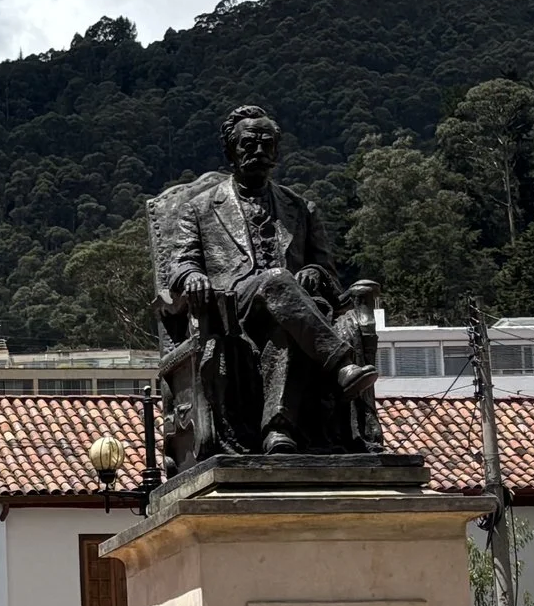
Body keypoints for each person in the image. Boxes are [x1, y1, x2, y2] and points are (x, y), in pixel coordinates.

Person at [162, 105, 378, 453]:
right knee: (276, 279)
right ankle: (341, 363)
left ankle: (277, 431)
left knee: (286, 329)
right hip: (234, 310)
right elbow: (180, 265)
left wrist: (314, 271)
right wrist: (193, 276)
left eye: (267, 144)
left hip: (295, 314)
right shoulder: (200, 209)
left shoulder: (300, 208)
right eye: (249, 144)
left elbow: (327, 272)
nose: (259, 151)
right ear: (231, 151)